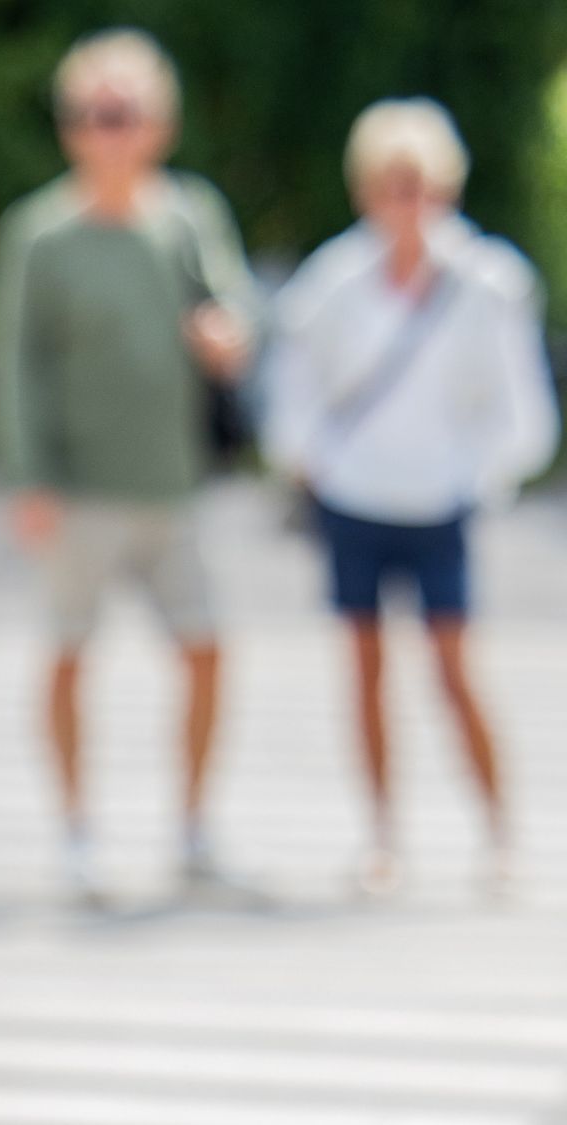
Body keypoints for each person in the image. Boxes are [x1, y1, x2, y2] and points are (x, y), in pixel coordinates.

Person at [0, 28, 261, 902]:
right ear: (71, 128)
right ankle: (75, 834)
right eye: (93, 115)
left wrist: (230, 336)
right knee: (69, 656)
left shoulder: (189, 216)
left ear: (158, 124)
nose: (109, 131)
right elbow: (10, 362)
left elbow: (236, 309)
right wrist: (25, 477)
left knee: (208, 650)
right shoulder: (38, 235)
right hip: (78, 493)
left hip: (173, 486)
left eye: (124, 114)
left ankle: (193, 827)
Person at [263, 98, 559, 897]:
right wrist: (312, 460)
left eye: (419, 183)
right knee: (364, 671)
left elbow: (524, 408)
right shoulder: (333, 280)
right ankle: (382, 836)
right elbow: (291, 382)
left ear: (445, 187)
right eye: (392, 184)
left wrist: (479, 478)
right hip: (355, 502)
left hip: (440, 506)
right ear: (367, 189)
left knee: (455, 670)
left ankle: (501, 831)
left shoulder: (489, 283)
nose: (407, 201)